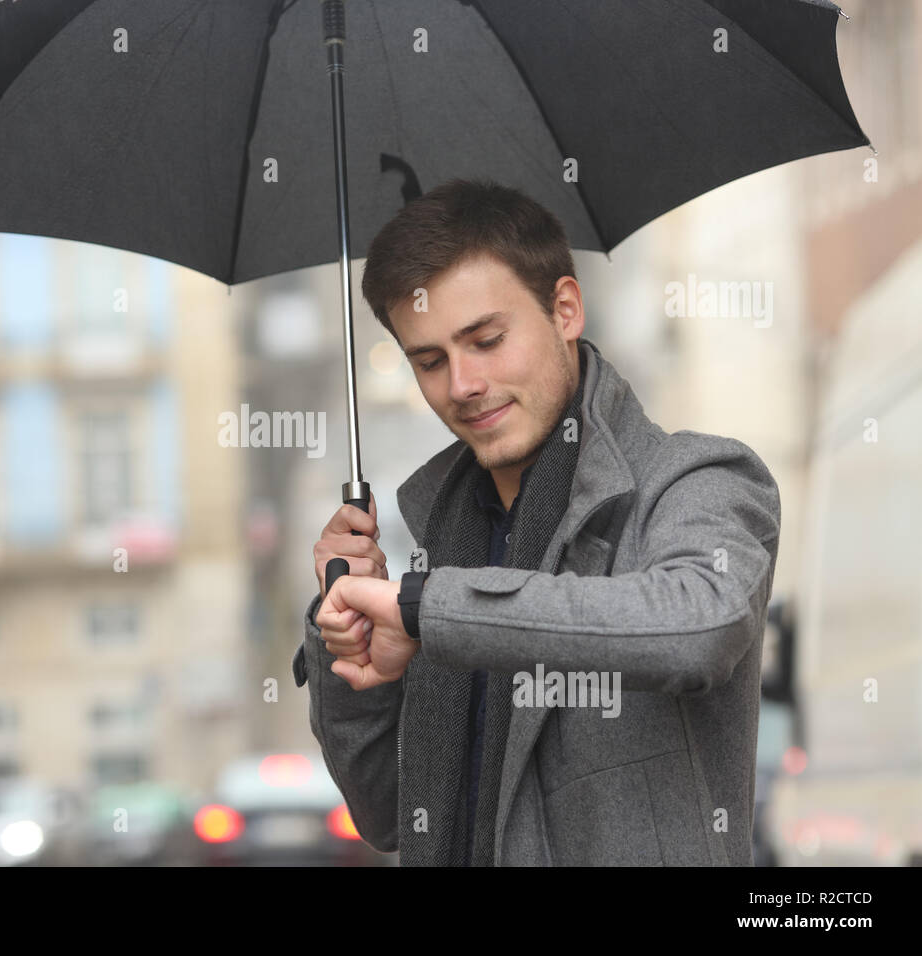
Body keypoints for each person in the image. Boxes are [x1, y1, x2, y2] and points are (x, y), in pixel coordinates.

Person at [293, 178, 781, 866]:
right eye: (429, 361)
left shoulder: (697, 480)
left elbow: (698, 627)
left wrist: (424, 609)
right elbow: (389, 817)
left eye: (487, 339)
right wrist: (347, 640)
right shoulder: (443, 548)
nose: (462, 384)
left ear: (566, 309)